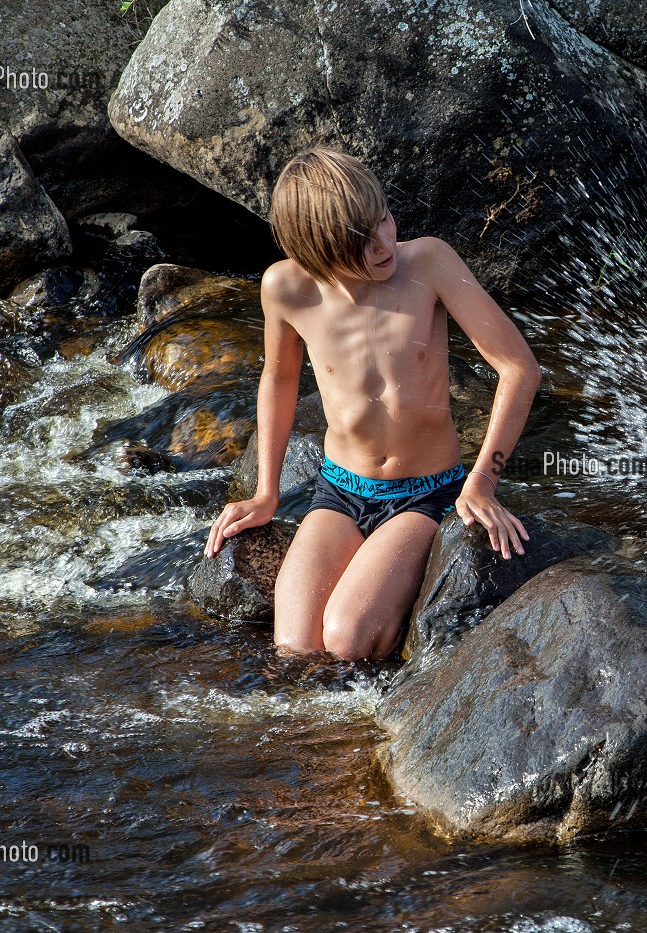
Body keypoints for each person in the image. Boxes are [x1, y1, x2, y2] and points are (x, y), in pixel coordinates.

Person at [205, 148, 540, 659]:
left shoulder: (428, 262)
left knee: (347, 639)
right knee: (294, 647)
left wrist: (483, 481)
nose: (384, 243)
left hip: (426, 494)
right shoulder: (286, 288)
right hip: (339, 491)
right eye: (359, 242)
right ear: (317, 252)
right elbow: (278, 379)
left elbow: (520, 369)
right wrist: (265, 492)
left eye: (383, 218)